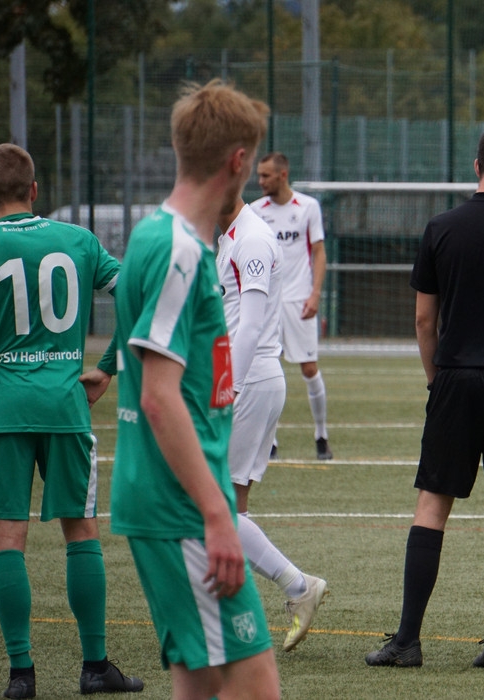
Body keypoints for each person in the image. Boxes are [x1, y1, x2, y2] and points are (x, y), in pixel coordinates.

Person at [364, 121, 484, 671]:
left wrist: (436, 377)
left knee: (432, 507)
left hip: (454, 380)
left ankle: (407, 641)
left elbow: (425, 317)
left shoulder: (440, 228)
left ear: (477, 166)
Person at [110, 79, 280, 700]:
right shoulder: (181, 251)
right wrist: (217, 514)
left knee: (200, 678)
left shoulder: (156, 237)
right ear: (239, 161)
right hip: (180, 506)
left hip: (163, 498)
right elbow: (158, 396)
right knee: (256, 682)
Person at [0, 143, 143, 699]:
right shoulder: (78, 241)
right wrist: (107, 367)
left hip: (3, 408)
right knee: (81, 530)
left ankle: (21, 675)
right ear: (34, 190)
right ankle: (96, 667)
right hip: (65, 404)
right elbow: (139, 296)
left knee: (7, 534)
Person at [217, 192, 329, 651]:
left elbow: (251, 324)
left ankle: (296, 586)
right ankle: (285, 596)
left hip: (250, 383)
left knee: (213, 509)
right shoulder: (228, 236)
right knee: (229, 508)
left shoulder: (253, 239)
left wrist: (229, 389)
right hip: (250, 381)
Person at [251, 152, 333, 460]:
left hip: (299, 301)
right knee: (266, 367)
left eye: (266, 176)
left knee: (309, 368)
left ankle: (321, 436)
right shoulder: (255, 211)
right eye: (259, 175)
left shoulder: (308, 207)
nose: (260, 181)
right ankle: (269, 441)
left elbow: (319, 252)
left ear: (282, 175)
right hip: (267, 302)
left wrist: (315, 294)